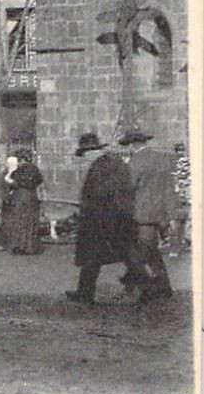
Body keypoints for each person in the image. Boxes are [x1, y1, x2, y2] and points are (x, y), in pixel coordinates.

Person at [66, 131, 136, 304]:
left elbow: (102, 194)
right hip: (106, 219)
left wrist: (88, 211)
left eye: (85, 154)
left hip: (104, 220)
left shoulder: (104, 167)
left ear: (93, 151)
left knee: (123, 255)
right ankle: (84, 292)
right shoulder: (107, 164)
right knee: (94, 258)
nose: (83, 158)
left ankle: (149, 285)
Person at [124, 129, 175, 301]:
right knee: (153, 253)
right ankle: (164, 287)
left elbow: (128, 187)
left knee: (141, 254)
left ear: (132, 144)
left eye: (128, 145)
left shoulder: (136, 161)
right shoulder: (161, 159)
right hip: (159, 214)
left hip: (142, 215)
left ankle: (148, 290)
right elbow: (168, 187)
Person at [0, 151, 44, 255]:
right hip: (32, 197)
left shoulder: (19, 171)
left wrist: (12, 182)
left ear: (22, 160)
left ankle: (20, 246)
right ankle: (31, 247)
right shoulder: (35, 169)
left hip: (20, 197)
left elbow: (13, 183)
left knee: (20, 222)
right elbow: (39, 181)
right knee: (31, 222)